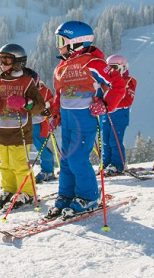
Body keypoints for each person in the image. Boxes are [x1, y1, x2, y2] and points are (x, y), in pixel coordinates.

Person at [47, 21, 126, 219]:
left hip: (84, 119)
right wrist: (55, 115)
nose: (58, 45)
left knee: (77, 158)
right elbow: (59, 94)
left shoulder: (93, 63)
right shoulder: (61, 67)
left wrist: (106, 104)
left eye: (61, 41)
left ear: (77, 42)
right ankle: (66, 194)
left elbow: (117, 83)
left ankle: (89, 196)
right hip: (67, 119)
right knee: (65, 159)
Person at [0, 44, 45, 212]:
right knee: (5, 164)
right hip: (1, 132)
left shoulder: (26, 82)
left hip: (20, 132)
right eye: (0, 60)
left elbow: (39, 106)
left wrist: (25, 103)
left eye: (6, 60)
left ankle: (28, 192)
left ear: (18, 62)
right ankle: (9, 189)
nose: (2, 64)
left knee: (20, 164)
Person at [99, 55, 137, 175]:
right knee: (105, 139)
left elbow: (128, 100)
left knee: (114, 140)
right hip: (106, 114)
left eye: (115, 68)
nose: (112, 72)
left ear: (123, 68)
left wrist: (110, 102)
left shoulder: (129, 82)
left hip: (120, 114)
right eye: (109, 69)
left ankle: (118, 164)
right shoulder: (105, 83)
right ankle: (106, 163)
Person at [27, 71, 57, 183]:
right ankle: (20, 173)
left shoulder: (45, 91)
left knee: (41, 147)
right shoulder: (24, 90)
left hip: (39, 123)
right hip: (25, 123)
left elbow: (52, 103)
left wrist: (49, 113)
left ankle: (47, 171)